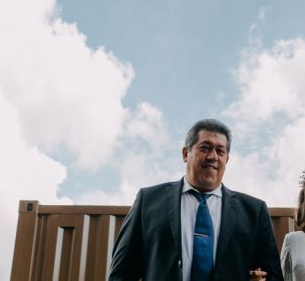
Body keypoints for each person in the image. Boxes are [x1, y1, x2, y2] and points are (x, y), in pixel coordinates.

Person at [108, 118, 283, 281]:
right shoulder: (148, 200)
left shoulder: (254, 210)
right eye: (205, 147)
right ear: (186, 153)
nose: (213, 156)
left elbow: (272, 275)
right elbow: (121, 273)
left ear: (226, 159)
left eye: (220, 151)